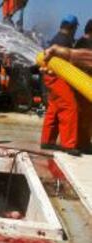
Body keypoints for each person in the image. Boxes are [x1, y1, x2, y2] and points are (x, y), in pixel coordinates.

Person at [40, 15, 80, 156]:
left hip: (50, 77)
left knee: (54, 107)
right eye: (76, 28)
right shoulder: (65, 41)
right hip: (59, 78)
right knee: (69, 107)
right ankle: (68, 145)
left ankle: (47, 140)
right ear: (72, 27)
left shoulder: (56, 38)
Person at [74, 20, 92, 153]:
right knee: (85, 116)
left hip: (80, 82)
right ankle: (83, 144)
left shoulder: (79, 42)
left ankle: (82, 142)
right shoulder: (87, 43)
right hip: (85, 82)